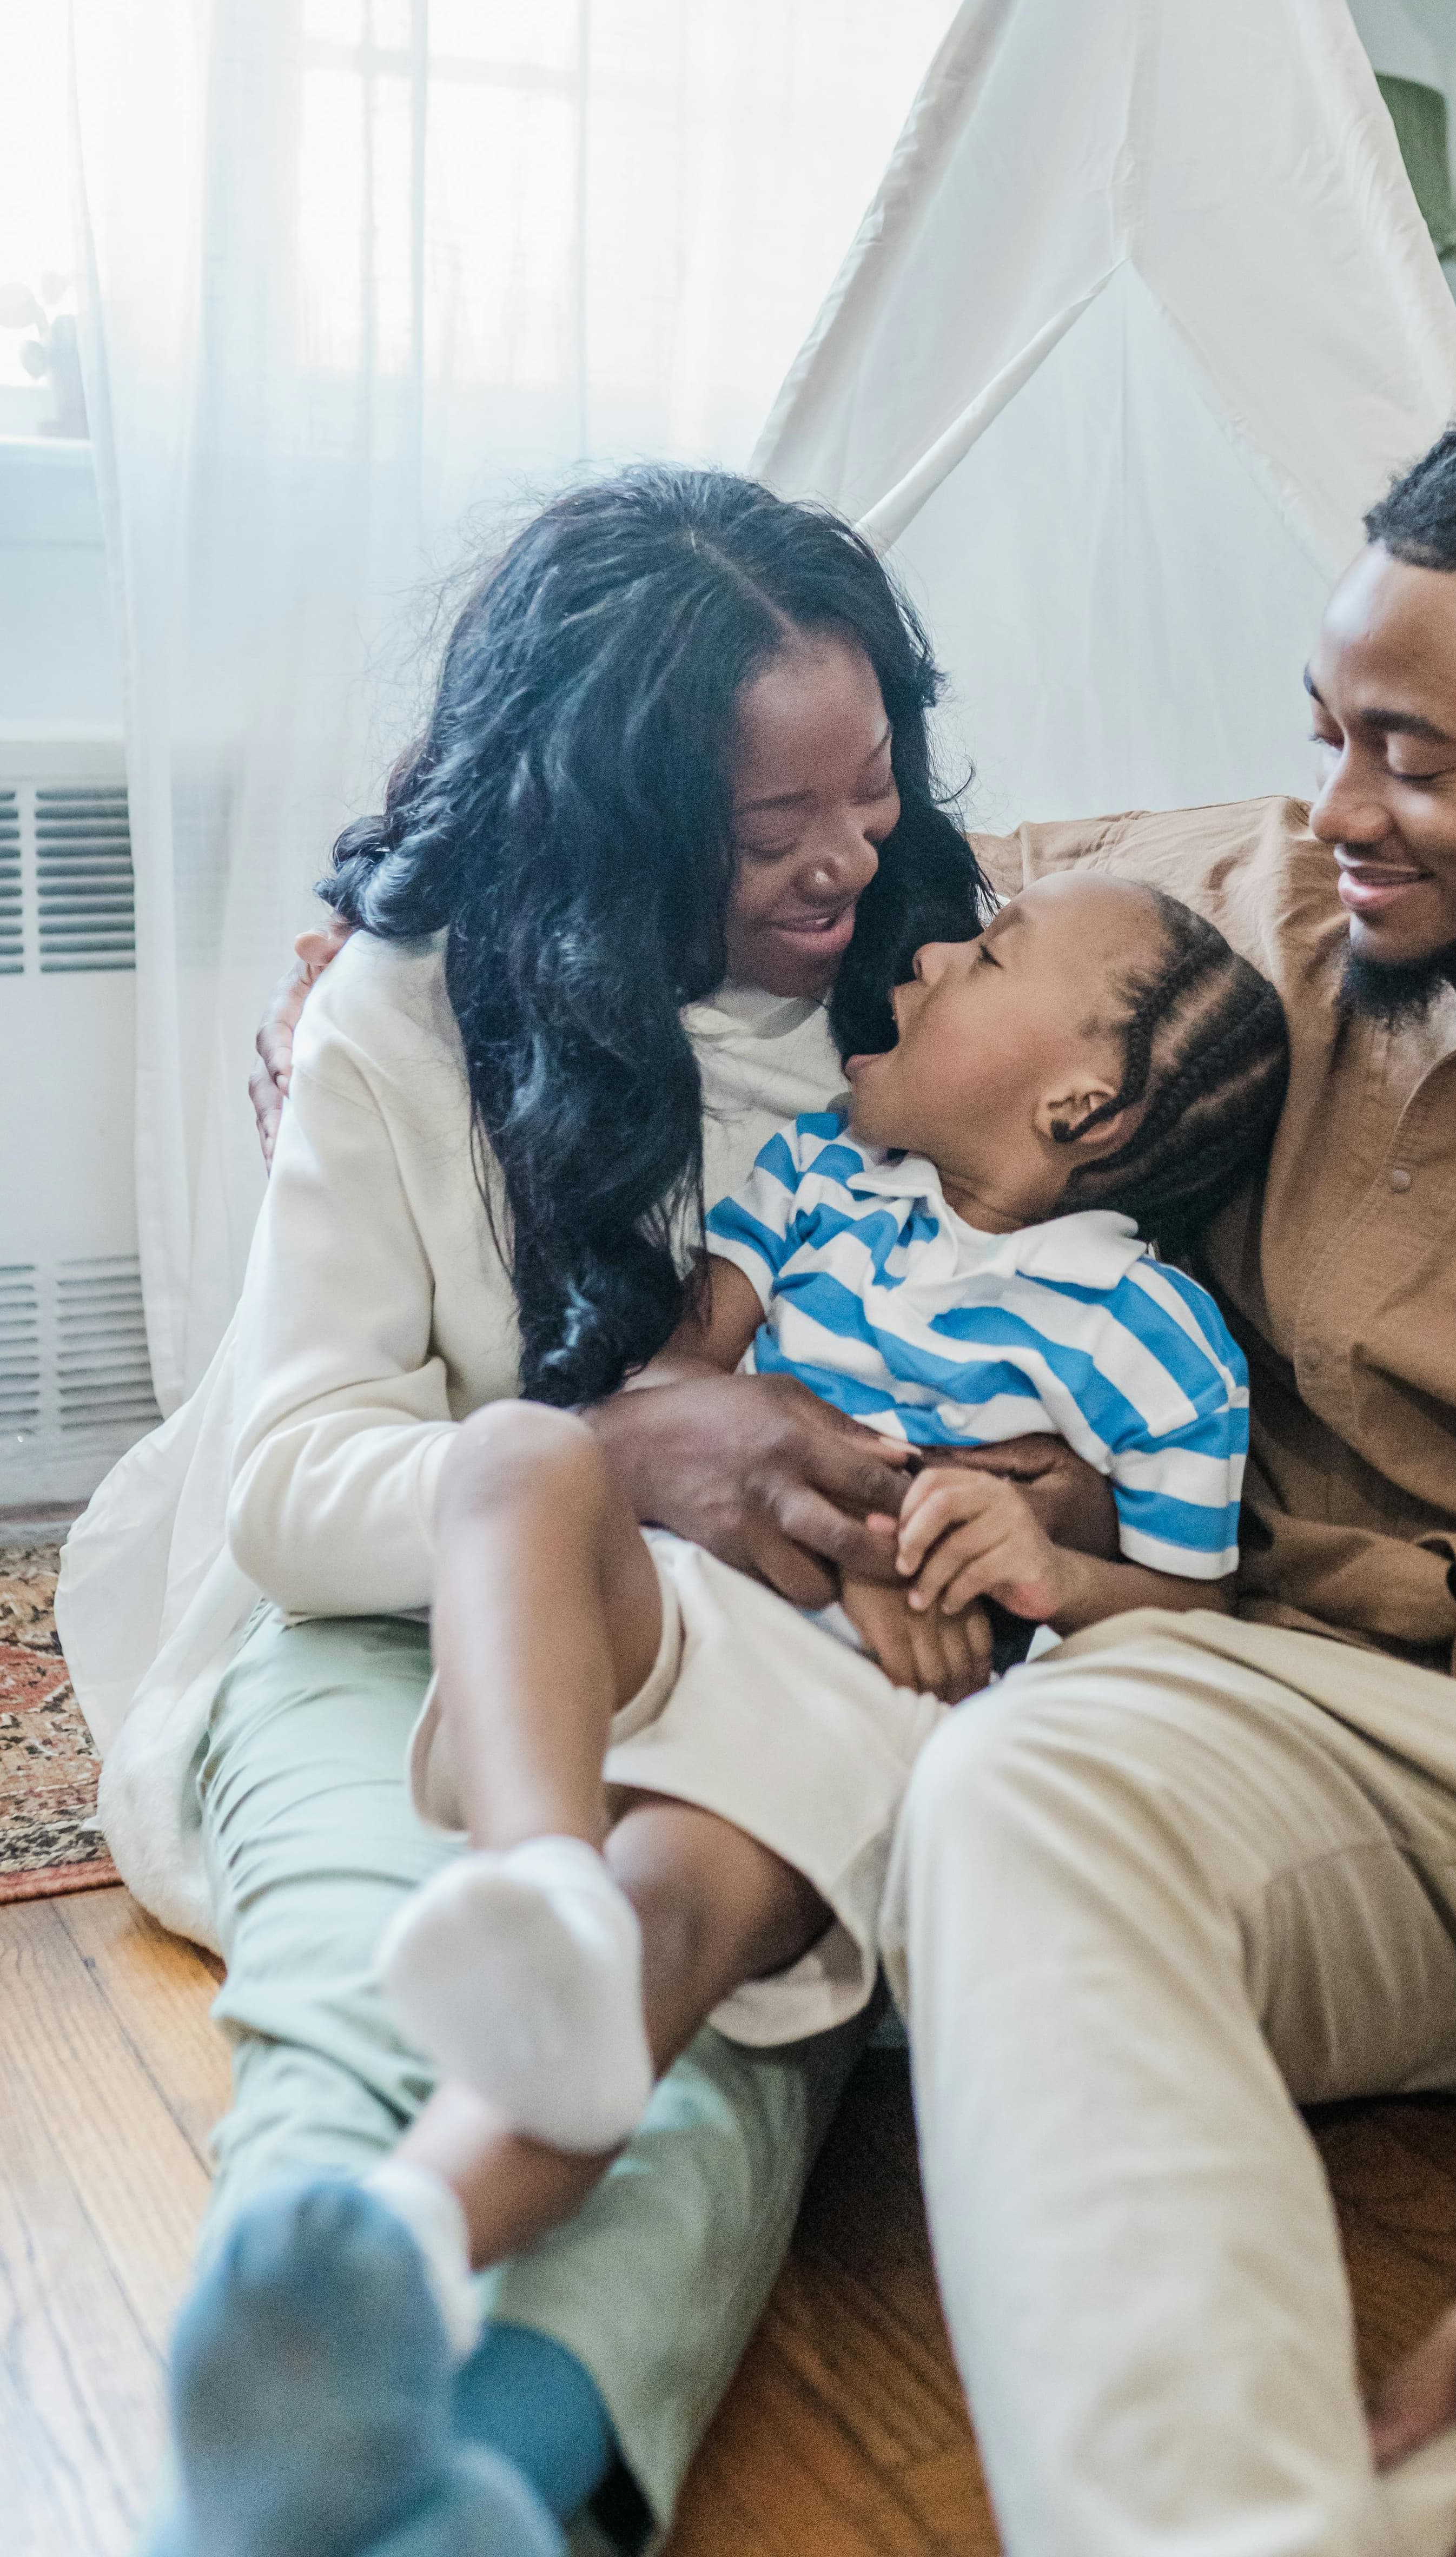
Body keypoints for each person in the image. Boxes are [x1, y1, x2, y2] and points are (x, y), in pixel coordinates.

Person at [250, 352, 1456, 2557]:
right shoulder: (1264, 906)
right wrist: (427, 937)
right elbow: (872, 877)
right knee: (1013, 1793)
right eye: (1326, 729)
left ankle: (1442, 2504)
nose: (1337, 809)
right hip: (1298, 1732)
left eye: (1415, 759)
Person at [64, 464, 1119, 2557]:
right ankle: (275, 2438)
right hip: (406, 1621)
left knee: (715, 2067)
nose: (845, 864)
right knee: (387, 1984)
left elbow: (1087, 1354)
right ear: (613, 821)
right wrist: (629, 1455)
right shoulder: (409, 1009)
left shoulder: (940, 1015)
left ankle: (481, 2497)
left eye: (874, 789)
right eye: (766, 830)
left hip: (777, 1685)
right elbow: (290, 1480)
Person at [365, 871, 1281, 2318]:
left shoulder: (1158, 1343)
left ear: (1078, 1105)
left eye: (986, 960)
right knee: (513, 1459)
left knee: (653, 1944)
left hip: (855, 1701)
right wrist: (790, 1432)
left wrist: (1046, 1569)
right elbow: (667, 1385)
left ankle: (406, 2235)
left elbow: (1195, 1617)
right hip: (678, 1591)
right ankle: (533, 1879)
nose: (924, 956)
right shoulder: (816, 1174)